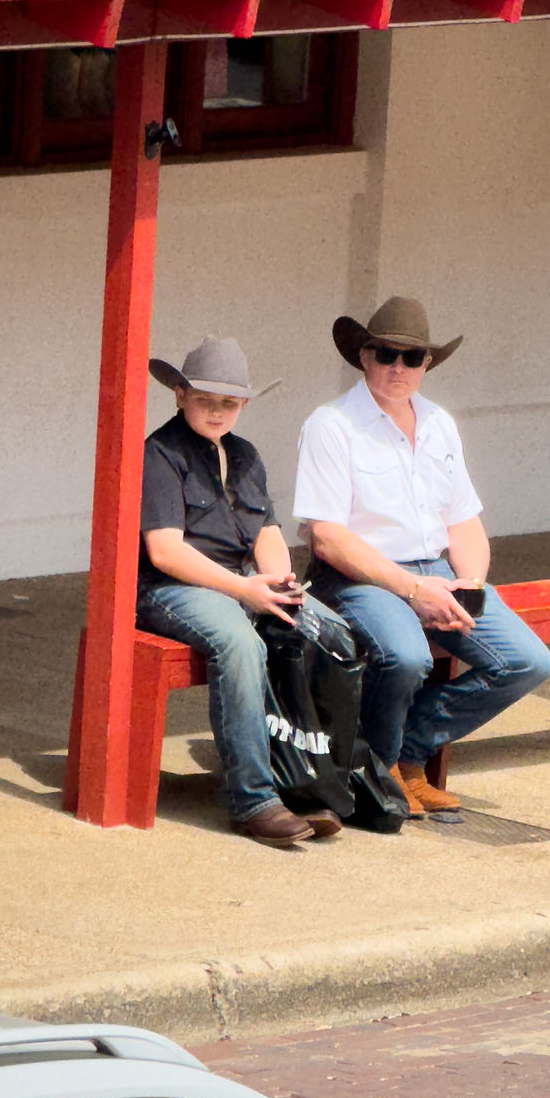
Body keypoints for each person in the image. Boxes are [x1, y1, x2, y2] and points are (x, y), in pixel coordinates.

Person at [293, 295, 550, 817]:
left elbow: (463, 521)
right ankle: (384, 772)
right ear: (363, 356)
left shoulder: (439, 423)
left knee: (528, 662)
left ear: (427, 364)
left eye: (412, 358)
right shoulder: (331, 424)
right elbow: (326, 538)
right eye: (386, 354)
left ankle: (406, 754)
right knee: (407, 655)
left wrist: (470, 584)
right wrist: (413, 591)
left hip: (437, 571)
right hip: (360, 577)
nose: (398, 368)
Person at [136, 335, 343, 847]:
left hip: (241, 583)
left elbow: (267, 532)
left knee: (332, 633)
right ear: (179, 394)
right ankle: (253, 799)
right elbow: (165, 551)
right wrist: (244, 590)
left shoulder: (245, 455)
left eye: (228, 402)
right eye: (205, 399)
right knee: (241, 644)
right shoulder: (160, 453)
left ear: (243, 405)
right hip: (174, 589)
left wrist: (279, 583)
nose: (216, 411)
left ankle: (313, 780)